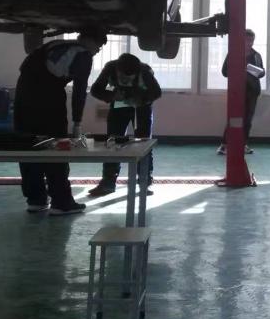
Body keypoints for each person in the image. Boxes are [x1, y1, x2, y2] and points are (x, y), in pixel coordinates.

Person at [14, 28, 106, 216]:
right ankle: (61, 202)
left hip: (22, 97)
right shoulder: (83, 55)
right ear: (88, 40)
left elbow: (25, 66)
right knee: (56, 148)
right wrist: (77, 122)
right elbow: (79, 91)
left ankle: (36, 200)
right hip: (48, 99)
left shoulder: (55, 44)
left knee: (28, 147)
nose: (97, 51)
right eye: (98, 46)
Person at [87, 53, 161, 197]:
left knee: (144, 144)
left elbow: (156, 92)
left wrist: (141, 100)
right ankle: (108, 183)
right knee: (112, 142)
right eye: (123, 77)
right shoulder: (110, 68)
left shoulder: (145, 71)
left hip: (141, 108)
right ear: (118, 70)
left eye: (130, 78)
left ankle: (144, 183)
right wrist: (111, 96)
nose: (126, 80)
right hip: (118, 106)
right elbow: (95, 90)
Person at [217, 29, 264, 155]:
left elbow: (262, 72)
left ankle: (243, 144)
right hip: (236, 91)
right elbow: (224, 72)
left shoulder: (256, 55)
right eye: (247, 40)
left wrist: (252, 70)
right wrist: (237, 69)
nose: (250, 43)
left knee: (247, 120)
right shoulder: (233, 53)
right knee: (233, 118)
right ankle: (224, 145)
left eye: (252, 40)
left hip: (252, 92)